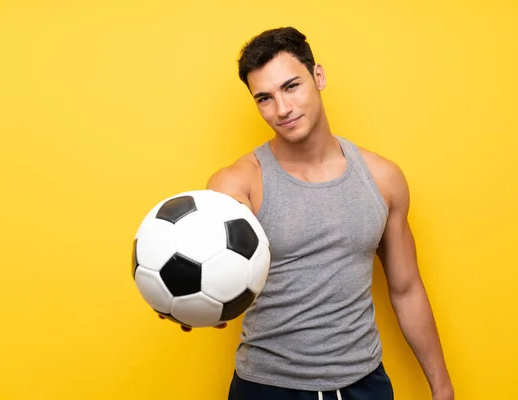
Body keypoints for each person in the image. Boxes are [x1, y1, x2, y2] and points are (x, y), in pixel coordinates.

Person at [176, 26, 454, 400]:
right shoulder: (237, 184)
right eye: (264, 98)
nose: (282, 109)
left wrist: (443, 387)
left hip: (365, 384)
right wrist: (185, 299)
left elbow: (406, 290)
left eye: (291, 86)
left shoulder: (383, 178)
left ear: (318, 76)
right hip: (268, 387)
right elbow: (210, 275)